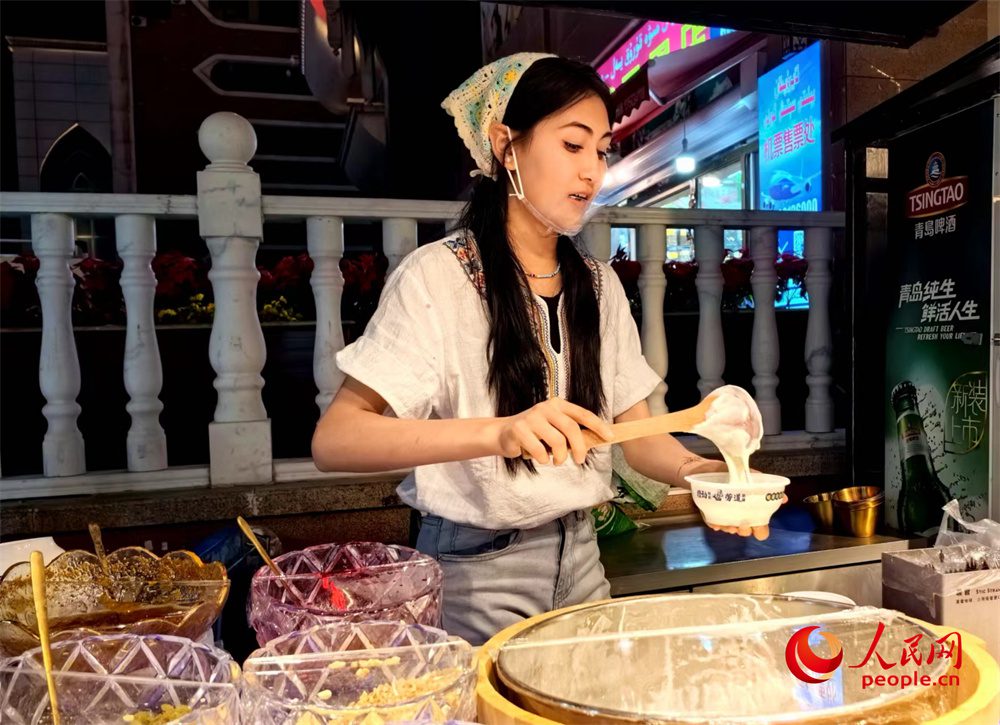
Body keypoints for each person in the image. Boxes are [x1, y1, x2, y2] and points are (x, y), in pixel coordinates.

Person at [312, 53, 775, 646]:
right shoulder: (438, 277)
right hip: (474, 571)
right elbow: (337, 439)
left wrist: (706, 474)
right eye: (573, 145)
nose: (593, 172)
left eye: (602, 150)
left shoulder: (599, 285)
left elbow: (640, 440)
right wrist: (500, 432)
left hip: (582, 559)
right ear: (507, 147)